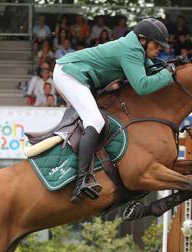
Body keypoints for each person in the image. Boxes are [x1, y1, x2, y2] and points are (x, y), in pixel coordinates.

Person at [54, 18, 174, 203]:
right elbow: (142, 86)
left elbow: (151, 70)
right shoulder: (132, 50)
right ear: (143, 40)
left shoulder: (136, 48)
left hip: (79, 75)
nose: (160, 49)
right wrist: (167, 75)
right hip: (68, 74)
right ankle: (80, 183)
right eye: (157, 45)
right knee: (95, 120)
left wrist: (169, 67)